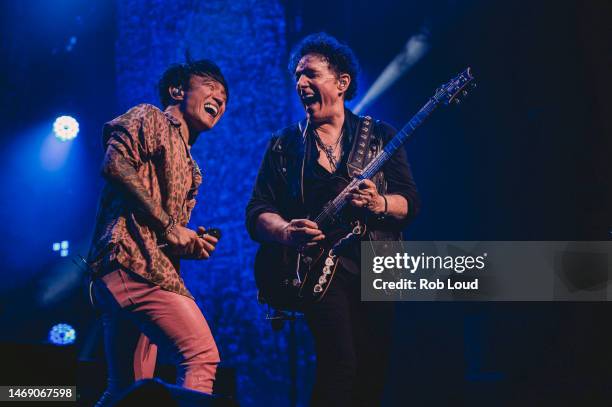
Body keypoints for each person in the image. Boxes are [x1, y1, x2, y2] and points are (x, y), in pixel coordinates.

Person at [246, 33, 420, 406]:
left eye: (310, 74)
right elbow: (258, 211)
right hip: (317, 271)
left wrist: (380, 204)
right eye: (297, 76)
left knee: (373, 369)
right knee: (340, 364)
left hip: (378, 266)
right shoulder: (284, 145)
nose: (300, 84)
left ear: (341, 83)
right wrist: (285, 231)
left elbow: (410, 203)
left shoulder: (380, 137)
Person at [87, 59, 228, 406]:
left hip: (136, 268)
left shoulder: (193, 170)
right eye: (210, 86)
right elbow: (114, 164)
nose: (219, 99)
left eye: (225, 97)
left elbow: (168, 233)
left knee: (124, 391)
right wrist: (169, 226)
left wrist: (190, 243)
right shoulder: (151, 117)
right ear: (177, 90)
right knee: (201, 357)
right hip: (134, 263)